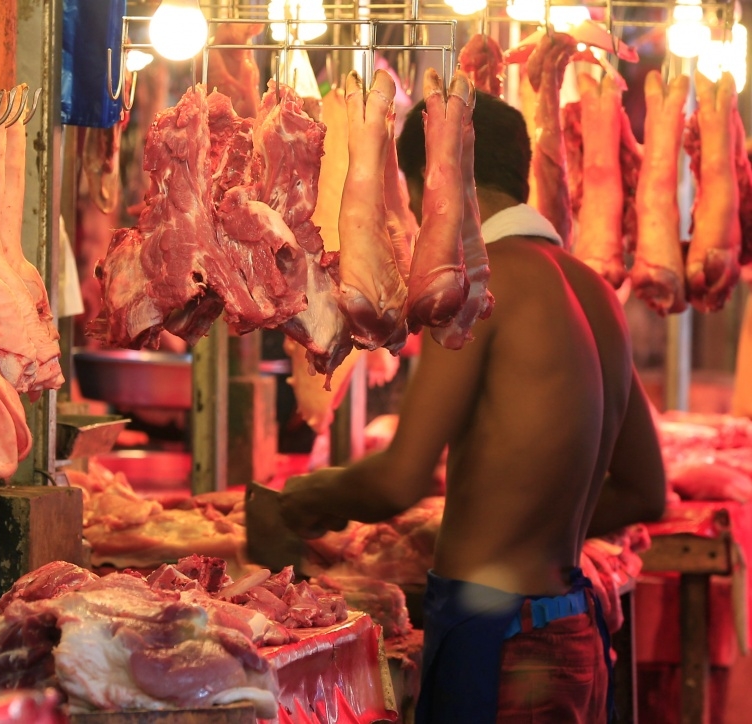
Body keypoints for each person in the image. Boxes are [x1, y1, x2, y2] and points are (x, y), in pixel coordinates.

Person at [277, 90, 667, 723]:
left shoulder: (480, 290)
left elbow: (400, 478)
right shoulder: (595, 294)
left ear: (431, 180)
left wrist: (307, 497)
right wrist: (526, 523)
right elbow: (646, 492)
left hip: (498, 643)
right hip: (572, 630)